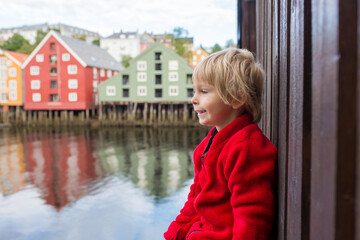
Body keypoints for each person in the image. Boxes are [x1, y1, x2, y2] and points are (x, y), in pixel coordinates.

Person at [164, 48, 277, 240]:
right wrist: (177, 232)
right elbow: (196, 196)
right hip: (200, 231)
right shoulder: (209, 143)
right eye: (195, 91)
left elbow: (251, 216)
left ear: (236, 98)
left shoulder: (246, 147)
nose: (193, 99)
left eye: (204, 91)